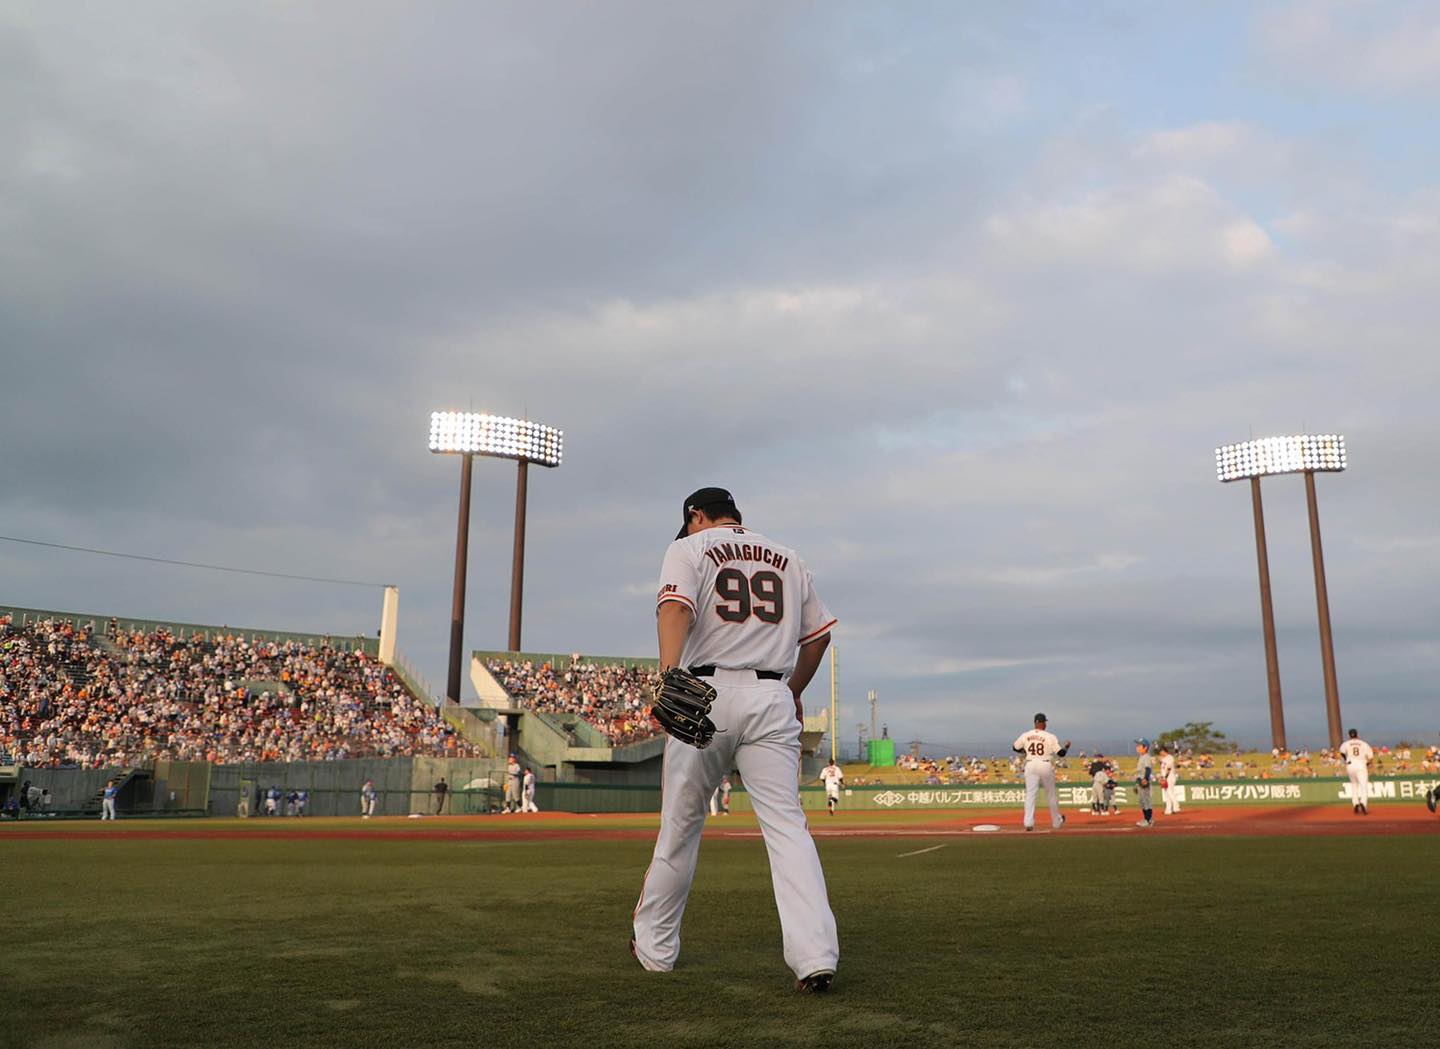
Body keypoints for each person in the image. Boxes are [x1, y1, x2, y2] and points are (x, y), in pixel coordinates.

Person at [632, 486, 840, 993]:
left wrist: (667, 676)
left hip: (704, 691)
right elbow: (819, 637)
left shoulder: (688, 547)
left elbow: (675, 608)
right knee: (788, 830)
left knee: (680, 827)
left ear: (695, 516)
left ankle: (656, 952)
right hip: (770, 694)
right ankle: (815, 957)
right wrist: (792, 691)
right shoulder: (787, 555)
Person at [1012, 713, 1070, 832]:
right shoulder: (1050, 736)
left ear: (1035, 723)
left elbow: (1015, 747)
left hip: (1030, 764)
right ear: (1043, 723)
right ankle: (1056, 822)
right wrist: (1067, 747)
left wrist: (1026, 750)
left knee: (1030, 794)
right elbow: (1061, 754)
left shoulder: (1026, 735)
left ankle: (1028, 822)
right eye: (1045, 722)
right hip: (1044, 764)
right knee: (1051, 795)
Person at [1340, 729, 1373, 815]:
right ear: (1357, 735)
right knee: (1363, 785)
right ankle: (1363, 803)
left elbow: (1342, 752)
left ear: (1349, 735)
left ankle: (1355, 804)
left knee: (1354, 785)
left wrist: (1346, 760)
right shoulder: (1363, 743)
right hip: (1361, 764)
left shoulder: (1346, 743)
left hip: (1350, 765)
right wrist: (1368, 763)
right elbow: (1370, 756)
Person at [1134, 739, 1155, 827]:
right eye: (1137, 745)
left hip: (1144, 782)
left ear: (1145, 747)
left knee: (1146, 801)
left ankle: (1148, 820)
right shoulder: (1141, 757)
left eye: (1139, 746)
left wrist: (1145, 779)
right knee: (1143, 802)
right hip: (1140, 781)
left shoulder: (1146, 756)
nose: (1137, 747)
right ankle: (1148, 819)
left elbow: (1148, 769)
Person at [1159, 743, 1181, 815]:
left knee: (1170, 792)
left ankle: (1176, 808)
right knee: (1166, 794)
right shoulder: (1163, 759)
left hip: (1170, 777)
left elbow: (1169, 768)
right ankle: (1168, 810)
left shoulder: (1170, 757)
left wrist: (1165, 777)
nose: (1160, 752)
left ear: (1163, 751)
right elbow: (1163, 769)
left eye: (1161, 751)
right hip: (1164, 777)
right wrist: (1162, 777)